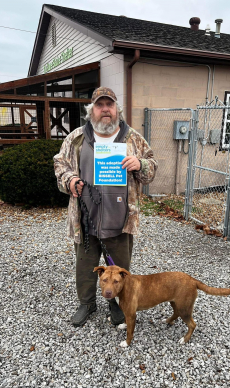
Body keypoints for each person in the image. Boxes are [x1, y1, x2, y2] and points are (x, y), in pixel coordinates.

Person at [54, 87, 158, 326]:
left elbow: (152, 166)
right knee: (85, 268)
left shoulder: (132, 138)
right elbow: (60, 165)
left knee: (119, 270)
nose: (105, 110)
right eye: (100, 105)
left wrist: (140, 164)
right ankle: (87, 304)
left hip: (120, 221)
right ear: (92, 110)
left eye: (109, 105)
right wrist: (69, 180)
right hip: (85, 219)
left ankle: (116, 304)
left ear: (116, 109)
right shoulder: (77, 138)